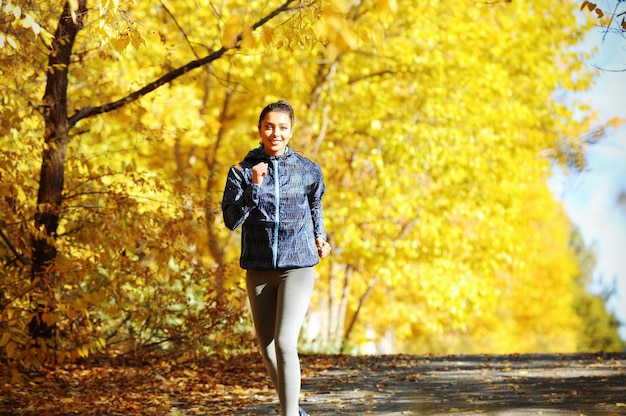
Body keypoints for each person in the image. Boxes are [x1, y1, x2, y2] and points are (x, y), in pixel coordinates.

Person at [222, 100, 331, 416]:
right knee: (267, 349)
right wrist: (254, 188)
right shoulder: (241, 172)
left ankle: (287, 415)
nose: (275, 133)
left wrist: (319, 236)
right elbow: (231, 221)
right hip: (258, 267)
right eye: (269, 126)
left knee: (284, 343)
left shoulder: (307, 170)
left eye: (283, 127)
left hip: (297, 264)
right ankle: (295, 410)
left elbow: (315, 206)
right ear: (260, 129)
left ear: (291, 130)